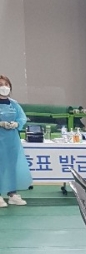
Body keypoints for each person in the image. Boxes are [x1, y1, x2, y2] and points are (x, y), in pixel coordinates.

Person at [0, 75, 31, 207]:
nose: (4, 87)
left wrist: (16, 124)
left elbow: (22, 118)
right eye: (1, 84)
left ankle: (12, 194)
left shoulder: (14, 104)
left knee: (12, 167)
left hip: (12, 140)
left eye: (6, 84)